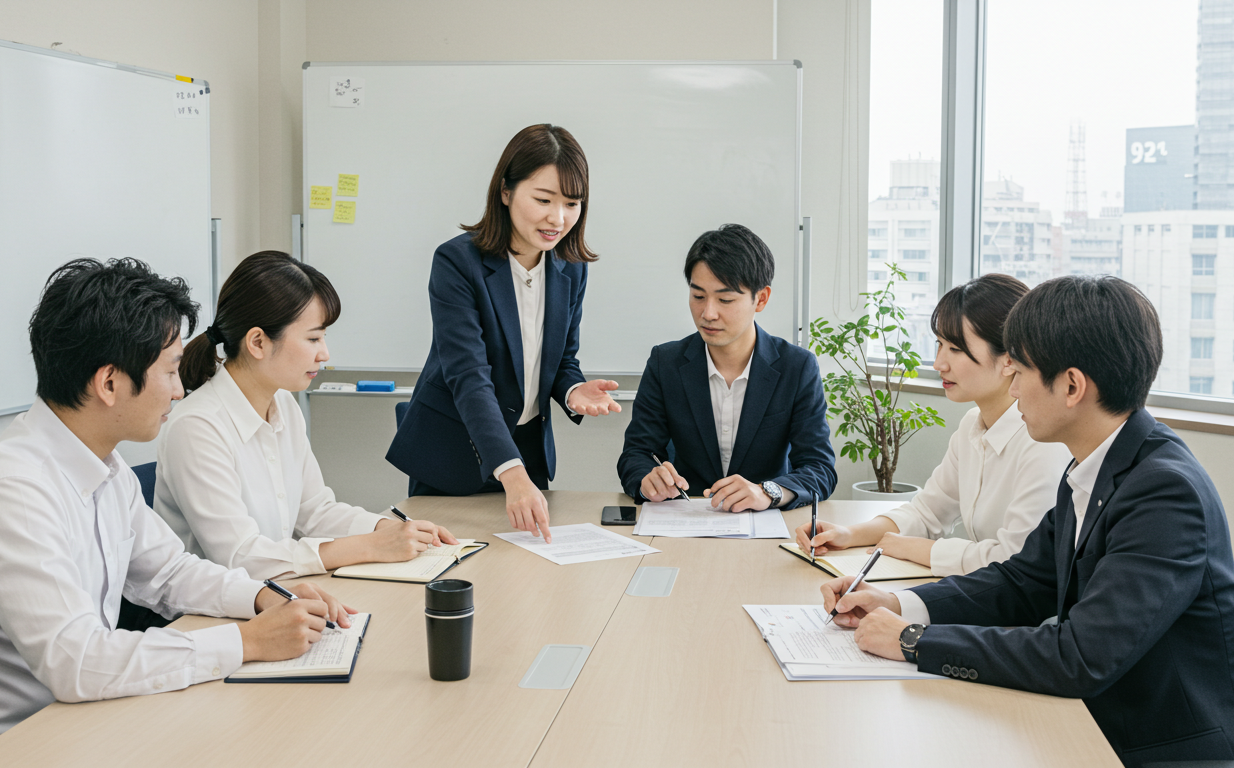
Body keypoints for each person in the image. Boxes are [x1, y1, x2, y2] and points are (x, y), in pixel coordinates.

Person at [0, 258, 354, 761]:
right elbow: (74, 660)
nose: (180, 388)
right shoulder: (12, 490)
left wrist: (263, 596)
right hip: (1, 743)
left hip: (78, 714)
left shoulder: (104, 464)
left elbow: (168, 572)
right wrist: (247, 643)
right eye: (169, 370)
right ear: (109, 384)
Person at [823, 275, 1234, 766]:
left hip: (1159, 748)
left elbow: (1081, 656)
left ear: (1072, 386)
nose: (1011, 384)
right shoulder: (1092, 463)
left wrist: (913, 641)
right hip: (1095, 720)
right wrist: (902, 604)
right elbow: (1023, 581)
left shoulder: (1165, 493)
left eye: (1021, 370)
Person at [155, 251, 456, 582]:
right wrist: (371, 546)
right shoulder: (197, 426)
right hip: (213, 617)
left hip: (277, 595)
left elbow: (315, 512)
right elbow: (240, 558)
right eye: (313, 337)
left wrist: (393, 529)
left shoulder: (283, 404)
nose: (324, 353)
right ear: (257, 342)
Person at [386, 124, 622, 543]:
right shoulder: (458, 262)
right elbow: (469, 376)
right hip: (453, 454)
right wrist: (511, 472)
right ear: (506, 192)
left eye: (572, 203)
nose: (559, 218)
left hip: (527, 455)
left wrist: (571, 390)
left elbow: (562, 358)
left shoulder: (570, 268)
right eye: (544, 200)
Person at [795, 274, 1071, 575]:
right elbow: (927, 512)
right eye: (939, 345)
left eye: (955, 349)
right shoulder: (971, 426)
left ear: (1009, 359)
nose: (939, 363)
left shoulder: (1043, 442)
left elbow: (1017, 558)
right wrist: (849, 535)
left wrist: (920, 549)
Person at [617, 224, 837, 512]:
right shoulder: (665, 362)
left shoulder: (796, 367)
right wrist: (648, 478)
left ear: (761, 299)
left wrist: (767, 492)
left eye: (725, 300)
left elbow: (820, 468)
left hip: (765, 524)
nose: (708, 313)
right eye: (698, 296)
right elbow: (636, 454)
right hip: (685, 521)